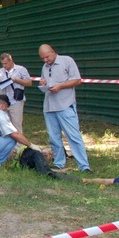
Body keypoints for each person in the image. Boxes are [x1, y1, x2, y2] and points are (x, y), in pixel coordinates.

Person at [38, 44, 90, 173]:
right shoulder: (45, 66)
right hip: (49, 106)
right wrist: (42, 83)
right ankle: (59, 163)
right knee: (54, 137)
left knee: (73, 136)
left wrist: (60, 86)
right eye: (42, 58)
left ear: (53, 52)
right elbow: (44, 80)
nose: (45, 60)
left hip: (65, 105)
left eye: (47, 57)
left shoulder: (67, 61)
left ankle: (84, 166)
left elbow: (77, 80)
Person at [0, 53, 32, 132]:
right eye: (3, 64)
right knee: (4, 124)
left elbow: (29, 82)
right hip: (3, 101)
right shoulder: (0, 72)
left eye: (6, 63)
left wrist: (16, 80)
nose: (4, 66)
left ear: (11, 61)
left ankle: (19, 144)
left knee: (16, 124)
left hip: (16, 100)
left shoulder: (21, 69)